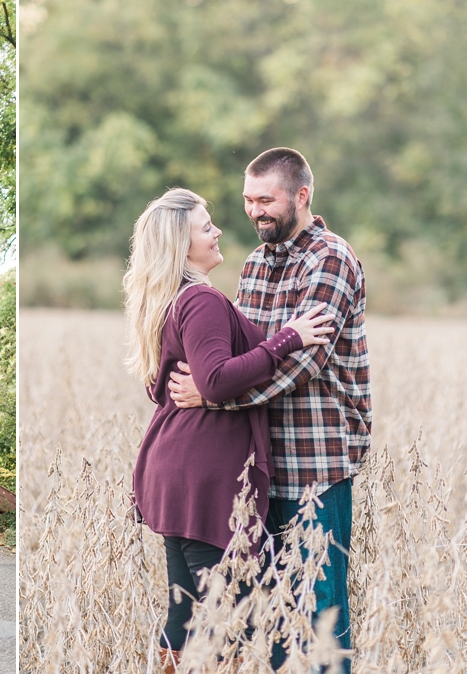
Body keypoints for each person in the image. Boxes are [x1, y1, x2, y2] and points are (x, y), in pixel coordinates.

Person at [168, 148, 371, 673]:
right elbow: (238, 359)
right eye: (247, 200)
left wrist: (213, 392)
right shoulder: (256, 264)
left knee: (317, 619)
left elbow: (301, 363)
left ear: (302, 196)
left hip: (315, 471)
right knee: (275, 623)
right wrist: (215, 381)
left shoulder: (331, 260)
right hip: (254, 471)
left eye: (266, 200)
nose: (254, 211)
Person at [124, 187, 334, 672]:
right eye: (205, 227)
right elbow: (215, 380)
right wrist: (290, 337)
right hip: (206, 474)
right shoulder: (201, 301)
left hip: (176, 468)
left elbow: (169, 384)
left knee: (188, 607)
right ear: (182, 245)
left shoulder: (169, 299)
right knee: (223, 614)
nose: (217, 231)